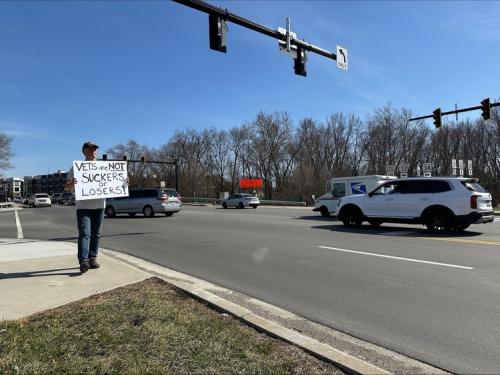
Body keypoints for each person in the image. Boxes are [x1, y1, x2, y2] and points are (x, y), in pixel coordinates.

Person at [65, 141, 105, 274]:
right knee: (85, 233)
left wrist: (123, 181)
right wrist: (72, 184)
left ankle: (93, 258)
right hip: (83, 207)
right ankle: (83, 261)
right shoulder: (77, 167)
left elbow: (116, 184)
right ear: (84, 151)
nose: (94, 151)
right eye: (91, 149)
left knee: (96, 234)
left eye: (95, 149)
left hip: (99, 206)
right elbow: (68, 187)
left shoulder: (104, 166)